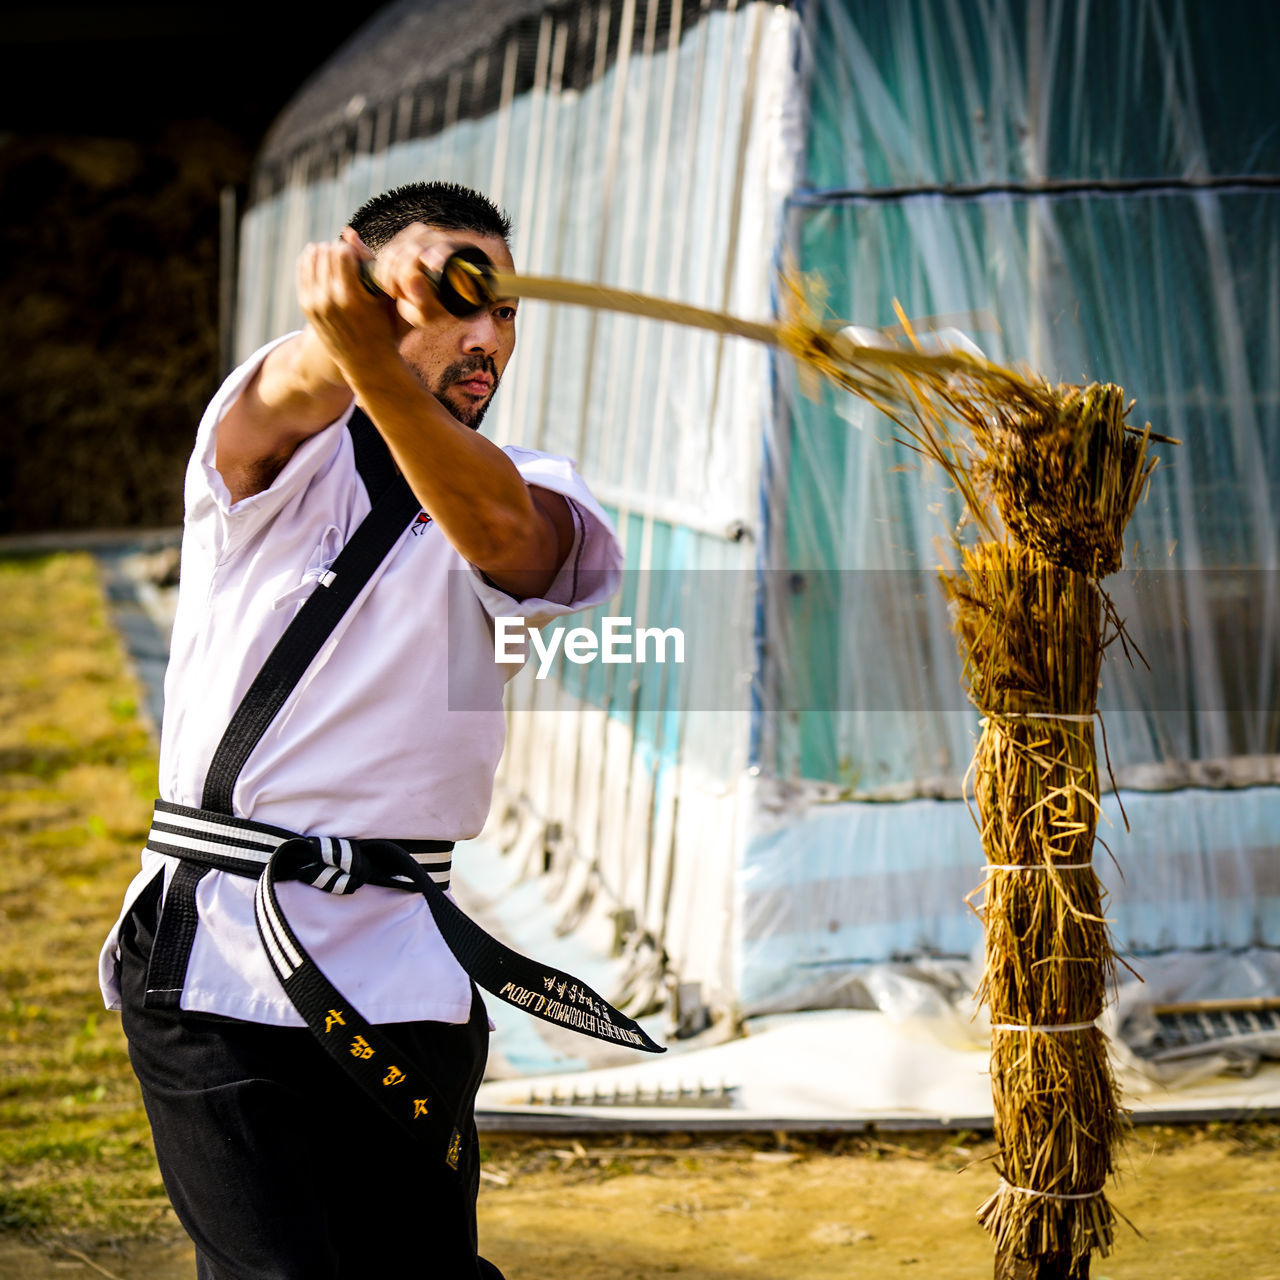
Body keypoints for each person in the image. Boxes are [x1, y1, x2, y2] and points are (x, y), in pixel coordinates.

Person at [98, 181, 627, 1279]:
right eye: (455, 299)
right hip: (224, 953)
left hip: (407, 961)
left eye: (506, 311)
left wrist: (387, 350)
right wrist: (352, 330)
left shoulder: (532, 486)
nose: (486, 337)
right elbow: (297, 384)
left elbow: (494, 533)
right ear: (371, 296)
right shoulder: (272, 458)